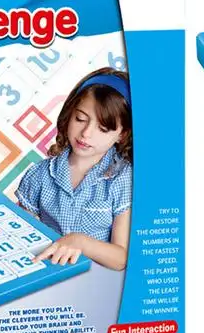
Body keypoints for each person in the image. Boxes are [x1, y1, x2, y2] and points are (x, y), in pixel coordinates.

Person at [16, 68, 132, 271]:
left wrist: (79, 242)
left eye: (103, 129)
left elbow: (121, 258)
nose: (86, 133)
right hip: (46, 273)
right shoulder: (39, 174)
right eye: (80, 119)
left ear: (122, 135)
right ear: (69, 114)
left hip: (95, 280)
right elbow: (20, 233)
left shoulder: (123, 179)